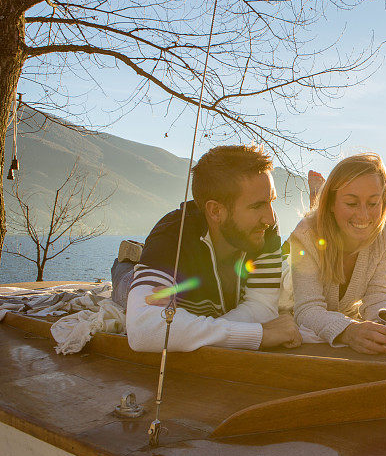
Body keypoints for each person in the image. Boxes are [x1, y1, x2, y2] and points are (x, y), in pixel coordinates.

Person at [114, 145, 302, 352]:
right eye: (257, 206)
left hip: (196, 293)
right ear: (215, 211)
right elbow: (144, 332)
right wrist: (259, 334)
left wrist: (189, 325)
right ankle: (130, 259)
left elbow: (262, 309)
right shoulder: (171, 236)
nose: (270, 218)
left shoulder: (264, 231)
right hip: (132, 276)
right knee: (128, 290)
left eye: (271, 201)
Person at [290, 153, 386, 354]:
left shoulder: (384, 230)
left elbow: (378, 294)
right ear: (332, 204)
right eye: (352, 204)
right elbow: (307, 310)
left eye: (373, 203)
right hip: (290, 317)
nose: (364, 215)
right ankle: (316, 194)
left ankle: (317, 192)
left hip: (339, 317)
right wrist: (349, 331)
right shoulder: (305, 236)